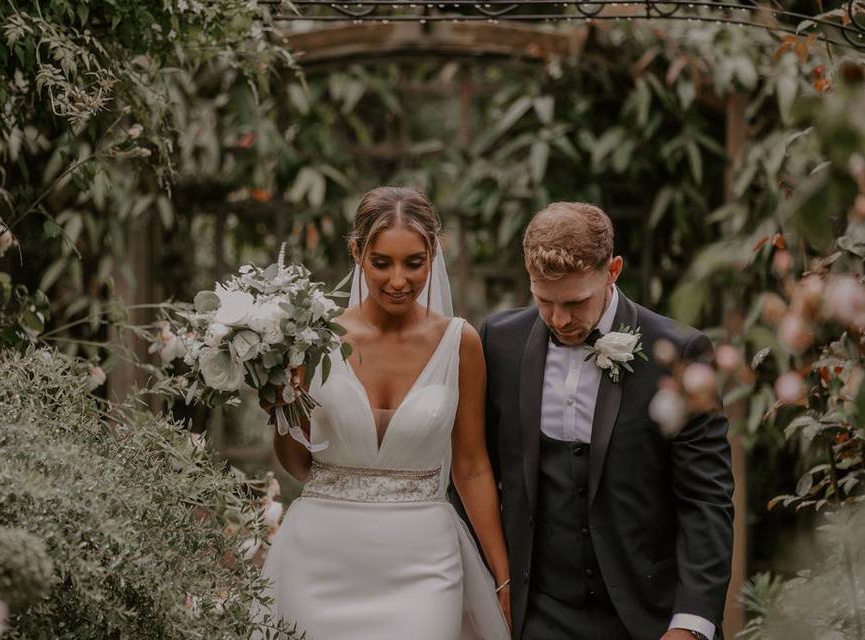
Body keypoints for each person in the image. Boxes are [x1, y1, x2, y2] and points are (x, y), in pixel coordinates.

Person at [257, 186, 511, 639]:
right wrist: (283, 412)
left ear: (435, 253)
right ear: (357, 252)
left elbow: (471, 468)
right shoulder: (314, 338)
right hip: (319, 559)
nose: (399, 280)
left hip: (424, 563)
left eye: (414, 262)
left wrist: (503, 575)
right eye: (382, 262)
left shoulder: (460, 343)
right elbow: (300, 465)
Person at [477, 202, 734, 640]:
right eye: (544, 300)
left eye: (575, 302)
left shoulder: (680, 352)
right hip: (536, 615)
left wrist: (690, 623)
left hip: (647, 616)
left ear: (612, 270)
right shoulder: (498, 343)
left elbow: (706, 501)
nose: (559, 320)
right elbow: (474, 472)